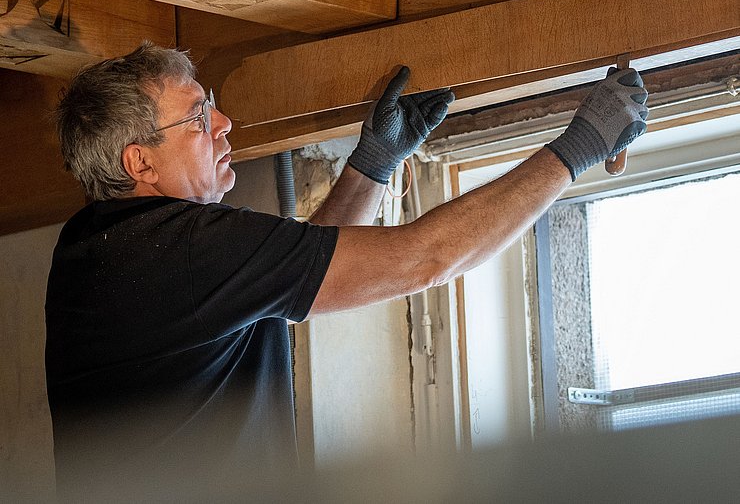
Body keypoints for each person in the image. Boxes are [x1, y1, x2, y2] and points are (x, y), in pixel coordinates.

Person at [45, 42, 648, 497]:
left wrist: (372, 165)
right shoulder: (173, 251)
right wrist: (576, 149)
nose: (224, 123)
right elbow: (425, 258)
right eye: (199, 116)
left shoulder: (110, 248)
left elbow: (307, 266)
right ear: (140, 161)